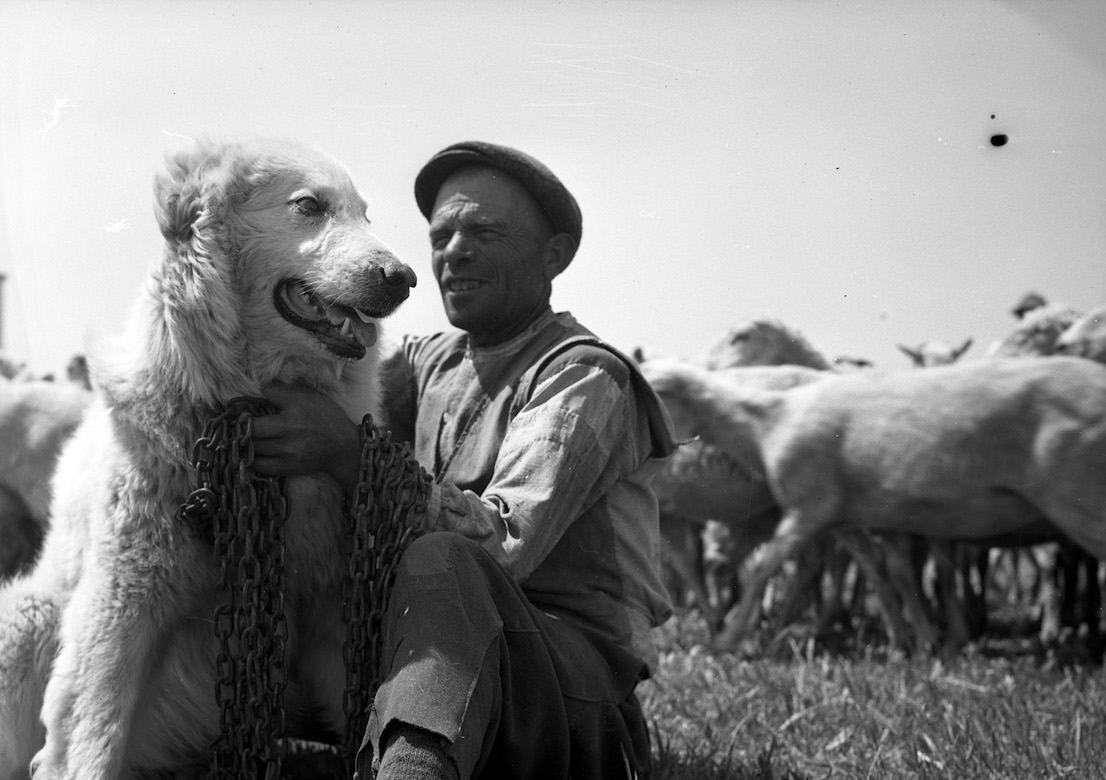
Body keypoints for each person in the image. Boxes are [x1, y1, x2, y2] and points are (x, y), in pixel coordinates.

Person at [251, 141, 676, 779]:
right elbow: (313, 374)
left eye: (484, 231)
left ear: (552, 255)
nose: (454, 252)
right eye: (441, 233)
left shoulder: (583, 376)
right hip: (442, 661)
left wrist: (349, 453)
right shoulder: (427, 364)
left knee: (447, 558)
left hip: (565, 693)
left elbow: (504, 546)